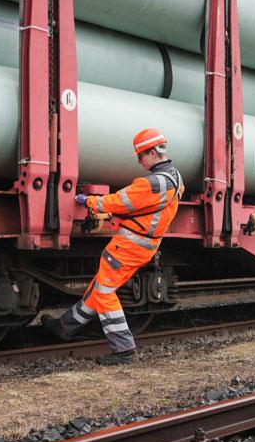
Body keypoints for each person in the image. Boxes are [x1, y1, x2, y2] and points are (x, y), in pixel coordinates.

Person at [42, 128, 184, 365]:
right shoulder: (176, 178)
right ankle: (65, 327)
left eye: (140, 156)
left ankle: (123, 350)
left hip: (128, 246)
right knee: (99, 286)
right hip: (145, 245)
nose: (139, 161)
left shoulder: (151, 183)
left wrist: (87, 200)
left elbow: (117, 202)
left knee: (105, 292)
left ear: (151, 153)